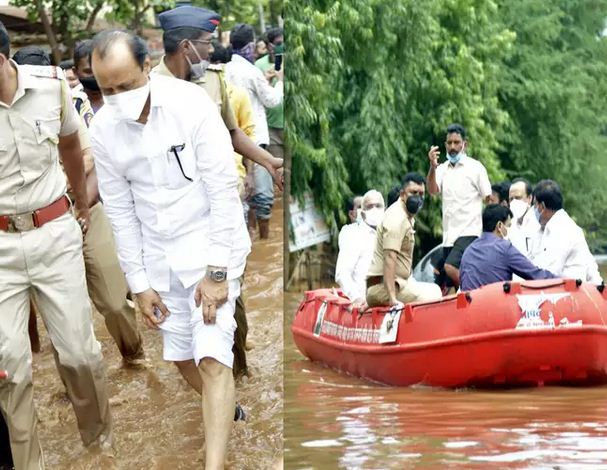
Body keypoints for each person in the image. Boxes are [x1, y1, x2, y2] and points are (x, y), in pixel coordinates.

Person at [89, 30, 251, 468]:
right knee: (182, 358)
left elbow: (222, 191)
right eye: (107, 89)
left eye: (125, 85)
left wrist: (218, 273)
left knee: (213, 358)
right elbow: (120, 212)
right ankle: (227, 409)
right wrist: (139, 285)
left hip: (208, 247)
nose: (117, 97)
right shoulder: (102, 129)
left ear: (147, 66)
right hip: (158, 258)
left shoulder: (190, 105)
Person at [0, 20, 112, 468]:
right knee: (9, 366)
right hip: (1, 246)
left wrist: (82, 204)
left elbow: (70, 145)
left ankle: (100, 447)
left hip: (54, 232)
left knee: (80, 354)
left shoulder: (51, 88)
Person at [154, 5, 278, 378]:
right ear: (187, 45)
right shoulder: (149, 89)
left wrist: (269, 162)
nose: (212, 50)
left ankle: (237, 373)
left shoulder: (214, 80)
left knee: (229, 299)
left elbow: (233, 133)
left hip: (220, 205)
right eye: (207, 43)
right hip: (176, 215)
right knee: (183, 308)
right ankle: (205, 377)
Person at [226, 23, 284, 239]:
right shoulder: (252, 71)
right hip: (254, 140)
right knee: (264, 197)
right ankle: (264, 239)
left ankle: (249, 237)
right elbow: (272, 101)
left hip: (232, 141)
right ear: (251, 46)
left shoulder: (224, 70)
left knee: (244, 194)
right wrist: (280, 81)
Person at [427, 123, 492, 289]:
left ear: (465, 144)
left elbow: (488, 198)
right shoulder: (442, 169)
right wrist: (432, 168)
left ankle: (475, 295)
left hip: (470, 233)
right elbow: (432, 190)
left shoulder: (476, 168)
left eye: (456, 142)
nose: (452, 147)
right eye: (449, 143)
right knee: (441, 280)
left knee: (450, 267)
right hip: (449, 236)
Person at [366, 173, 442, 307]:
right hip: (383, 289)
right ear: (402, 194)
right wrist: (392, 299)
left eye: (421, 193)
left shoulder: (407, 216)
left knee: (434, 289)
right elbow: (389, 258)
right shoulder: (396, 217)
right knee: (434, 294)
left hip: (400, 284)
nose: (418, 197)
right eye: (413, 192)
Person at [459, 204, 555, 291]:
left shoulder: (468, 250)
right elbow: (535, 274)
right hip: (494, 306)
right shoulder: (503, 248)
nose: (510, 230)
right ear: (499, 226)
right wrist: (562, 279)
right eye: (508, 226)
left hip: (469, 308)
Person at [529, 180, 602, 284]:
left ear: (542, 207)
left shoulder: (561, 230)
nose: (534, 209)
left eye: (535, 204)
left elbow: (548, 273)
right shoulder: (554, 227)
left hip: (567, 293)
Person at [255, 28, 285, 231]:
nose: (280, 46)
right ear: (268, 45)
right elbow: (259, 97)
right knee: (278, 174)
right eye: (276, 43)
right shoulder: (258, 66)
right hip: (271, 127)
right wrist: (269, 79)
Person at [335, 190, 385, 307]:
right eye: (369, 207)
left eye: (378, 206)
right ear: (362, 213)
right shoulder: (352, 234)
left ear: (385, 209)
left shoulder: (389, 234)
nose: (374, 210)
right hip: (363, 303)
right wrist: (356, 298)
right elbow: (342, 273)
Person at [508, 177, 539, 257]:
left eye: (518, 198)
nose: (514, 202)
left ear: (529, 198)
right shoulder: (509, 224)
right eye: (511, 199)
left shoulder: (539, 223)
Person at [73, 39, 104, 112]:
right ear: (75, 72)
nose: (95, 76)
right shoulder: (69, 104)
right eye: (89, 71)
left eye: (100, 71)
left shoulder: (123, 100)